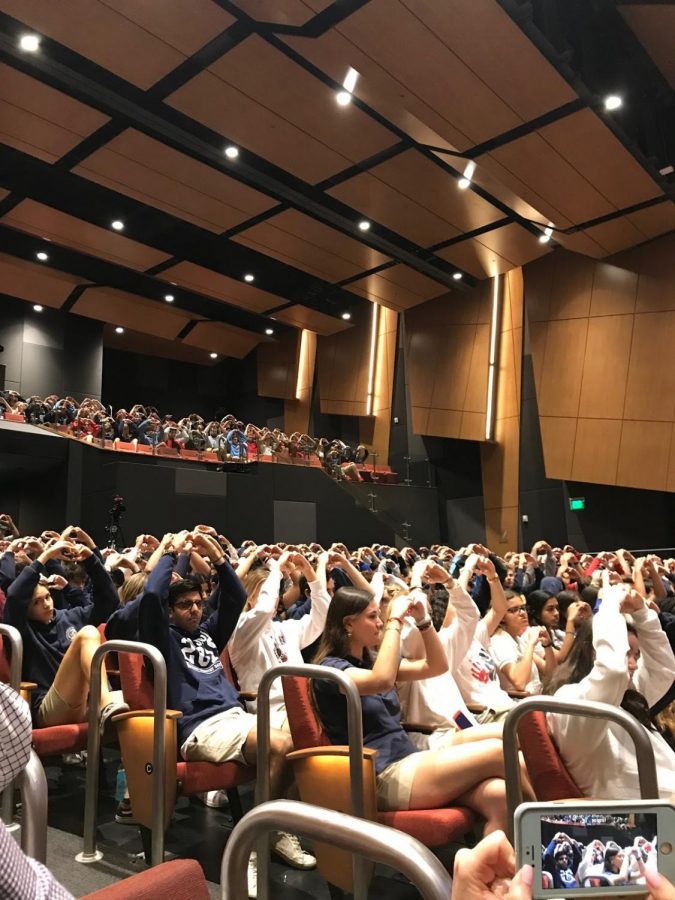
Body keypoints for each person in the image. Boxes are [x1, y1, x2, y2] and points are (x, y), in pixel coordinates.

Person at [137, 533, 315, 897]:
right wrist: (172, 553)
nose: (195, 609)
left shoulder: (207, 634)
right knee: (281, 745)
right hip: (199, 727)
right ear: (170, 611)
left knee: (301, 744)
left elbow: (233, 597)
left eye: (198, 603)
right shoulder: (161, 639)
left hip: (235, 717)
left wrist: (219, 557)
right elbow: (153, 595)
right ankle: (251, 847)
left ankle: (274, 833)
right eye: (185, 604)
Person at [312, 586, 531, 834]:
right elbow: (381, 680)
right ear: (349, 624)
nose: (380, 623)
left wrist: (423, 621)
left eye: (380, 616)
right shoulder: (330, 671)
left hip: (409, 759)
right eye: (372, 617)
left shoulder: (371, 660)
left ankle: (501, 866)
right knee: (500, 752)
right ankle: (554, 829)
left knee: (500, 795)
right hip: (380, 776)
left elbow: (436, 666)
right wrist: (395, 618)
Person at [545, 575, 675, 799]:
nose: (633, 665)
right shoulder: (569, 701)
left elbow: (663, 670)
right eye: (627, 654)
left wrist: (642, 613)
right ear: (595, 652)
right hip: (646, 820)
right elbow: (613, 670)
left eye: (636, 655)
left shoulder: (624, 697)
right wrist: (609, 606)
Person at [4, 538, 125, 729]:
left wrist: (91, 560)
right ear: (25, 609)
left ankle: (105, 704)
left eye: (47, 597)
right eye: (36, 602)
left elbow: (109, 602)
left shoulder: (71, 616)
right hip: (50, 708)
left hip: (86, 700)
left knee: (144, 703)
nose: (46, 604)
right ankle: (106, 703)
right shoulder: (23, 629)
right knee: (87, 634)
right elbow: (14, 595)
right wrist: (46, 555)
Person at [228, 550, 330, 730]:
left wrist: (309, 573)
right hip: (272, 713)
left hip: (306, 704)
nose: (274, 600)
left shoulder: (285, 627)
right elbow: (264, 610)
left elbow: (324, 616)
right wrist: (276, 569)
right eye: (268, 593)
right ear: (250, 597)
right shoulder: (240, 630)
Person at [490, 592, 556, 693]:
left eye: (523, 608)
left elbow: (550, 673)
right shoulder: (499, 641)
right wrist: (531, 644)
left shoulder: (518, 640)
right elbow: (519, 683)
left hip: (534, 700)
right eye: (514, 610)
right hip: (518, 704)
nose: (522, 613)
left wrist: (547, 645)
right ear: (501, 617)